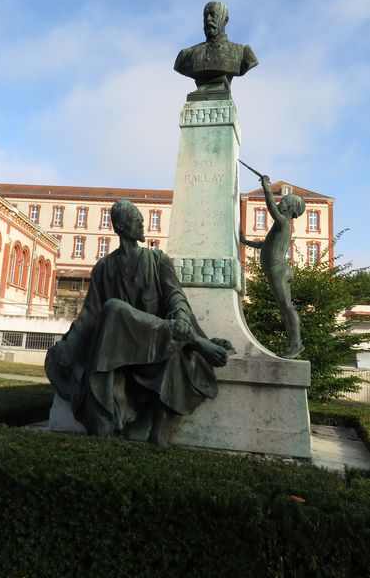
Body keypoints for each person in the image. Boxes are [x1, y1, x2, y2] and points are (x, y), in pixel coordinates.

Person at [45, 199, 229, 447]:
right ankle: (194, 342)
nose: (143, 224)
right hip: (120, 351)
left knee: (137, 324)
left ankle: (158, 430)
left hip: (154, 346)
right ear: (120, 226)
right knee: (113, 309)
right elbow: (89, 315)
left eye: (142, 219)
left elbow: (176, 298)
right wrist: (69, 345)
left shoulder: (157, 260)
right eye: (136, 220)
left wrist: (183, 319)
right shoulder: (103, 268)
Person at [240, 176, 306, 358]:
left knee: (286, 307)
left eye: (284, 202)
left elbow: (271, 208)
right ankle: (294, 343)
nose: (281, 204)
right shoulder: (282, 226)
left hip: (278, 269)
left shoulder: (283, 222)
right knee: (286, 307)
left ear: (291, 208)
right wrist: (245, 241)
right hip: (278, 269)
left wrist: (267, 187)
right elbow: (266, 244)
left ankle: (296, 344)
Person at [174, 1, 258, 97]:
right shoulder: (186, 55)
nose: (208, 19)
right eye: (205, 16)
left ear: (225, 20)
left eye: (213, 15)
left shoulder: (242, 53)